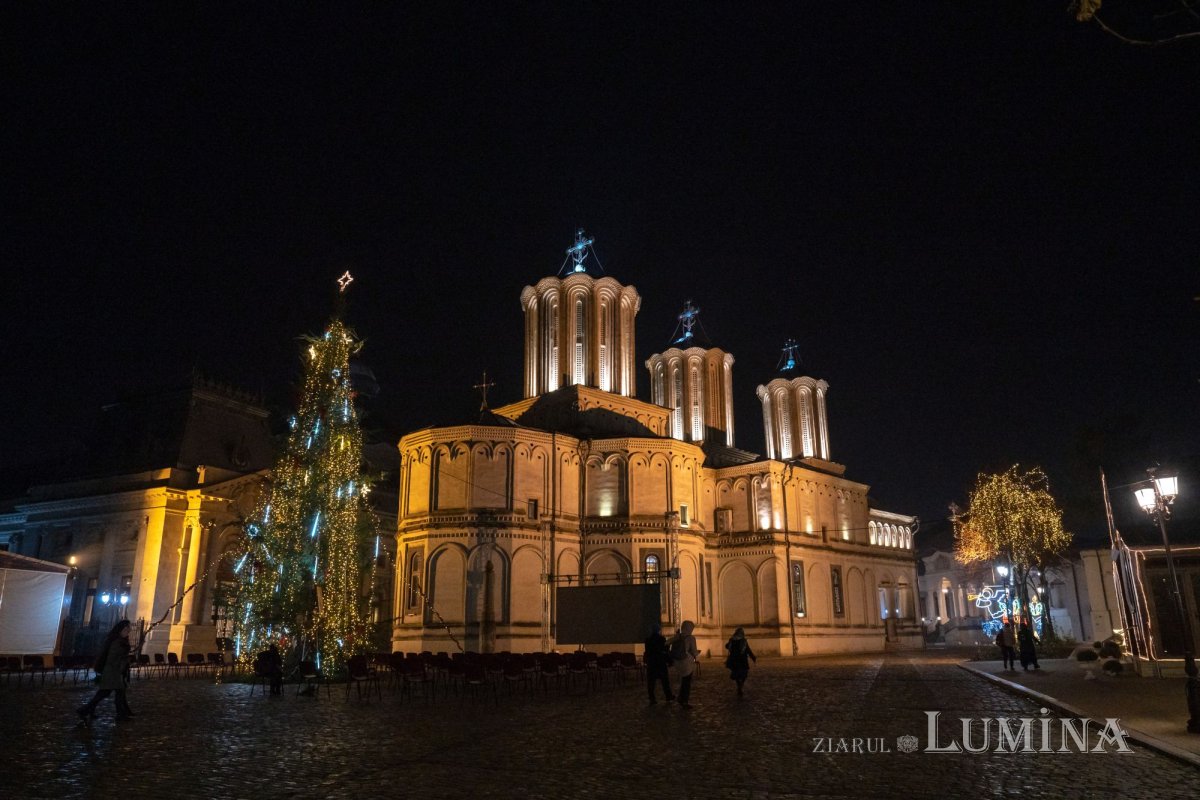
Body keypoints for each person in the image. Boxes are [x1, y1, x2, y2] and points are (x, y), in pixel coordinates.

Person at [77, 619, 135, 723]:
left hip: (115, 672)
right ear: (120, 630)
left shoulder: (120, 641)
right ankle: (84, 710)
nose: (128, 631)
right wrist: (124, 662)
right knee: (105, 693)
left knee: (114, 693)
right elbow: (113, 658)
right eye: (126, 629)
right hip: (113, 672)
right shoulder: (117, 642)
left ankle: (121, 714)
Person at [670, 620, 700, 709]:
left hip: (677, 661)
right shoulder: (691, 638)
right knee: (687, 682)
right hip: (686, 662)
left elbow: (667, 643)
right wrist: (697, 658)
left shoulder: (677, 636)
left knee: (684, 680)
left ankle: (681, 698)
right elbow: (694, 651)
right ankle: (684, 701)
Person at [643, 624, 675, 704]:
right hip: (660, 662)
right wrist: (670, 661)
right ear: (658, 630)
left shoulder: (648, 640)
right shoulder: (662, 639)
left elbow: (647, 652)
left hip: (651, 663)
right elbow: (664, 651)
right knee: (665, 681)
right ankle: (668, 696)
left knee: (651, 682)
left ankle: (652, 698)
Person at [724, 627, 757, 697]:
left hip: (734, 659)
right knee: (744, 674)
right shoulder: (743, 640)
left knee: (736, 674)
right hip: (742, 659)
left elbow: (726, 646)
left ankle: (739, 685)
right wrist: (753, 657)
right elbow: (748, 650)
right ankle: (741, 686)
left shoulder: (732, 640)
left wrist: (730, 642)